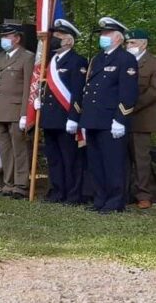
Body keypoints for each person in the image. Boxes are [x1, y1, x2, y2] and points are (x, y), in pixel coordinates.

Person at [79, 17, 139, 214]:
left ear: (118, 38)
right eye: (102, 34)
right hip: (94, 119)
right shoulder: (98, 59)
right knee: (96, 163)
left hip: (111, 120)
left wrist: (120, 119)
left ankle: (115, 201)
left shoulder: (126, 59)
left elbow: (128, 92)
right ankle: (100, 198)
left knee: (113, 163)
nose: (102, 37)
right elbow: (89, 89)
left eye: (106, 34)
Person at [39, 19, 88, 204]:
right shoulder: (51, 61)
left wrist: (74, 117)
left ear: (68, 40)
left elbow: (78, 92)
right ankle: (57, 191)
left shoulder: (77, 61)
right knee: (54, 159)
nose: (53, 39)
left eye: (58, 36)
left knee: (71, 159)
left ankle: (73, 195)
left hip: (67, 118)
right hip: (50, 118)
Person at [0, 22, 35, 199]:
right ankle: (8, 184)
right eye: (2, 37)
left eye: (7, 37)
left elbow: (29, 87)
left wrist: (24, 114)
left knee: (19, 149)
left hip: (16, 111)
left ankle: (21, 185)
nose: (4, 40)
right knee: (5, 150)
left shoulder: (27, 57)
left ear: (17, 38)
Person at [124, 29, 156, 209]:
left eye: (133, 43)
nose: (129, 46)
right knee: (124, 157)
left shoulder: (152, 63)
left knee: (141, 158)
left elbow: (153, 91)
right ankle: (128, 191)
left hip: (142, 118)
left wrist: (131, 106)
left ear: (143, 44)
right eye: (127, 43)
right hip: (122, 118)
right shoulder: (125, 61)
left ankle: (145, 194)